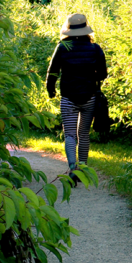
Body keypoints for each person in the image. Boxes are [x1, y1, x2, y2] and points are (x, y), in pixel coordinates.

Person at [46, 13, 107, 186]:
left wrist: (51, 90)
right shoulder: (95, 48)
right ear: (87, 29)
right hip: (89, 96)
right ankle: (84, 169)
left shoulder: (62, 46)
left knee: (70, 134)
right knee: (84, 134)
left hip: (68, 98)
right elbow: (103, 74)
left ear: (69, 29)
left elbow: (53, 72)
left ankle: (73, 169)